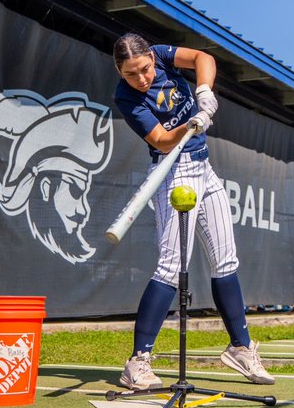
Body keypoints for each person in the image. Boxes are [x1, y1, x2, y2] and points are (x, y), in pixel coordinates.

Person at [113, 34, 274, 388]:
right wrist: (191, 125)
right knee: (171, 267)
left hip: (203, 167)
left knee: (226, 261)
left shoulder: (162, 56)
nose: (141, 79)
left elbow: (204, 58)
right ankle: (138, 362)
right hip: (173, 172)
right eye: (131, 74)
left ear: (151, 59)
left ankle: (241, 348)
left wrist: (204, 93)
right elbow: (159, 139)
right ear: (121, 74)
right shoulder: (126, 97)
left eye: (144, 69)